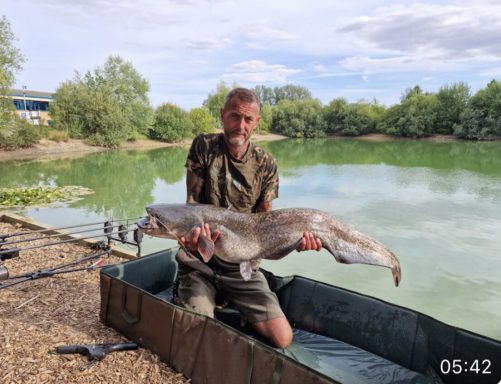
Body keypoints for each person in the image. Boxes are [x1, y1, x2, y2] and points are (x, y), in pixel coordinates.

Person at [176, 87, 321, 348]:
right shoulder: (204, 146)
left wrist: (294, 242)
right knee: (197, 328)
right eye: (234, 116)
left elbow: (266, 225)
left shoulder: (266, 163)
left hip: (242, 267)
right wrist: (188, 239)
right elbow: (191, 203)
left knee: (283, 339)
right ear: (222, 115)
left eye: (248, 119)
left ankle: (230, 298)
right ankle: (200, 290)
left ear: (257, 122)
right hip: (200, 261)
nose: (239, 126)